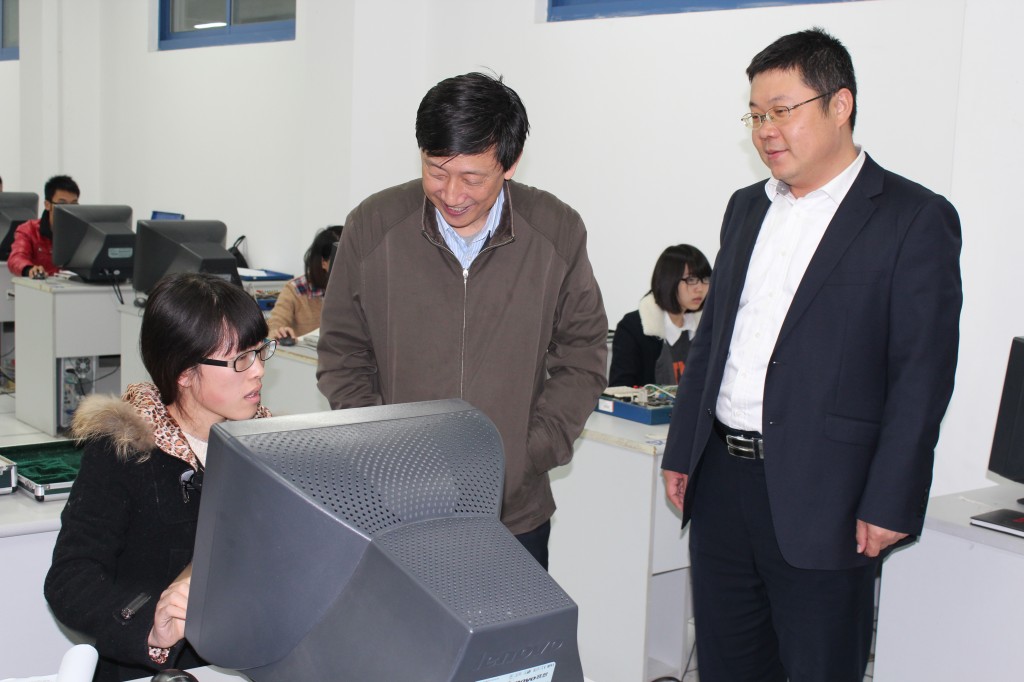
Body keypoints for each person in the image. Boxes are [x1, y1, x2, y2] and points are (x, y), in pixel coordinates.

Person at [660, 28, 962, 682]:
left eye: (782, 111)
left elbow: (922, 376)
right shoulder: (746, 208)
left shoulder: (912, 218)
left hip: (830, 497)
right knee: (728, 665)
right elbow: (714, 341)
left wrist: (891, 498)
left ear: (840, 105)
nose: (766, 130)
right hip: (723, 485)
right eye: (755, 115)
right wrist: (684, 450)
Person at [317, 72, 608, 570]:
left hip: (513, 515)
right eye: (436, 170)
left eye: (472, 178)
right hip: (394, 510)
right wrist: (381, 453)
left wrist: (525, 455)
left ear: (510, 164)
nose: (452, 194)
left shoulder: (556, 230)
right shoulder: (373, 225)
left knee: (511, 624)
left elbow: (583, 355)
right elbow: (342, 353)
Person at [44, 273, 275, 682]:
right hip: (154, 673)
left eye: (260, 352)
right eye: (241, 359)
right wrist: (150, 625)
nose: (257, 370)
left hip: (252, 663)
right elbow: (71, 579)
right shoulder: (124, 451)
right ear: (184, 372)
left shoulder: (272, 443)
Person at [608, 244, 711, 387]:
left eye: (705, 279)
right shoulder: (633, 328)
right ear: (669, 280)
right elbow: (620, 390)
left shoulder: (706, 328)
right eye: (691, 280)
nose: (699, 288)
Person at [267, 225, 342, 341]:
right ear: (324, 262)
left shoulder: (358, 289)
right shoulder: (295, 289)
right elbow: (276, 324)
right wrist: (278, 331)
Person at [6, 174, 80, 278]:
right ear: (47, 205)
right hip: (39, 286)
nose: (69, 210)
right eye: (62, 204)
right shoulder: (29, 230)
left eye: (73, 204)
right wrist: (29, 269)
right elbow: (16, 258)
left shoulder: (81, 232)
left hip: (73, 286)